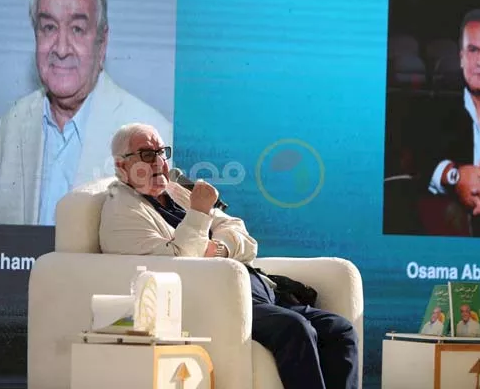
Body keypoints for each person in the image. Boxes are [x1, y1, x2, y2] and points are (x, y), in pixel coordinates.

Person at [99, 123, 359, 389]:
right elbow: (179, 264)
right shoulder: (122, 212)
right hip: (215, 301)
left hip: (258, 291)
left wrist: (219, 249)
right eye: (146, 154)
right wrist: (199, 213)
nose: (159, 162)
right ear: (121, 166)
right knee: (294, 328)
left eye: (161, 152)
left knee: (339, 330)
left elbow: (242, 235)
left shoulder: (175, 191)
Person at [0, 0, 171, 226]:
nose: (61, 49)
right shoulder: (9, 129)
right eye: (49, 27)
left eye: (77, 29)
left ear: (102, 43)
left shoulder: (155, 135)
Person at [421, 8, 480, 237]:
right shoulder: (434, 101)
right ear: (461, 56)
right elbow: (417, 162)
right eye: (473, 50)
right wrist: (455, 177)